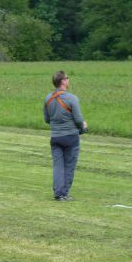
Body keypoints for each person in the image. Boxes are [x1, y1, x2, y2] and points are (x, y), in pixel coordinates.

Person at [43, 70, 87, 201]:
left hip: (55, 137)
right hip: (71, 137)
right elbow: (79, 120)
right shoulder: (72, 98)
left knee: (57, 166)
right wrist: (83, 126)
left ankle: (58, 193)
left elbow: (47, 119)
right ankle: (64, 193)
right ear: (63, 81)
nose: (68, 80)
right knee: (69, 165)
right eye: (67, 78)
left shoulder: (48, 98)